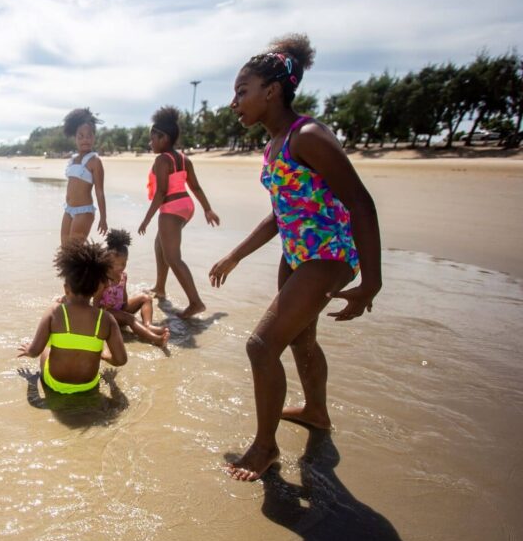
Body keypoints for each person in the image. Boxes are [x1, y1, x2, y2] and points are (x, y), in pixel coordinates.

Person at [209, 34, 382, 481]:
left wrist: (371, 282)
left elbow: (361, 203)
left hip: (327, 256)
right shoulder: (275, 143)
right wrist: (235, 256)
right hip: (297, 253)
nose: (234, 102)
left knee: (261, 345)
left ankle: (264, 449)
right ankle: (316, 412)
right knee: (301, 340)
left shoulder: (309, 135)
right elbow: (283, 213)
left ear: (271, 91)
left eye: (241, 91)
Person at [138, 105, 220, 318]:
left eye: (152, 138)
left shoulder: (162, 160)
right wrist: (207, 209)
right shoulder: (184, 159)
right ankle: (160, 287)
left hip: (171, 208)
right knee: (160, 245)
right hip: (186, 205)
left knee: (173, 257)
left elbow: (161, 193)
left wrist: (146, 220)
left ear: (163, 138)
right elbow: (196, 187)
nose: (150, 143)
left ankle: (196, 302)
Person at [18, 240, 127, 394]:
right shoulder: (107, 319)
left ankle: (36, 379)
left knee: (46, 349)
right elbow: (121, 359)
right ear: (97, 288)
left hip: (54, 383)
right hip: (88, 386)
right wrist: (105, 355)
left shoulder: (54, 311)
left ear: (66, 289)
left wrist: (29, 354)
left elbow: (35, 351)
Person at [93, 229, 169, 346]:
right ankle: (155, 339)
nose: (121, 267)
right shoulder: (103, 280)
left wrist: (126, 307)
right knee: (130, 319)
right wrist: (101, 316)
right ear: (107, 261)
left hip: (119, 309)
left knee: (146, 298)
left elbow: (124, 297)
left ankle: (147, 325)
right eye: (116, 264)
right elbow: (95, 303)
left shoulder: (123, 276)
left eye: (124, 263)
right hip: (105, 312)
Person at [60, 108, 108, 245]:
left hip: (84, 212)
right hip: (68, 210)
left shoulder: (95, 161)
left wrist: (103, 218)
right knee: (65, 252)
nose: (85, 139)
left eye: (89, 136)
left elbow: (99, 192)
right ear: (75, 138)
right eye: (80, 136)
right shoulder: (73, 159)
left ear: (94, 137)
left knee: (74, 253)